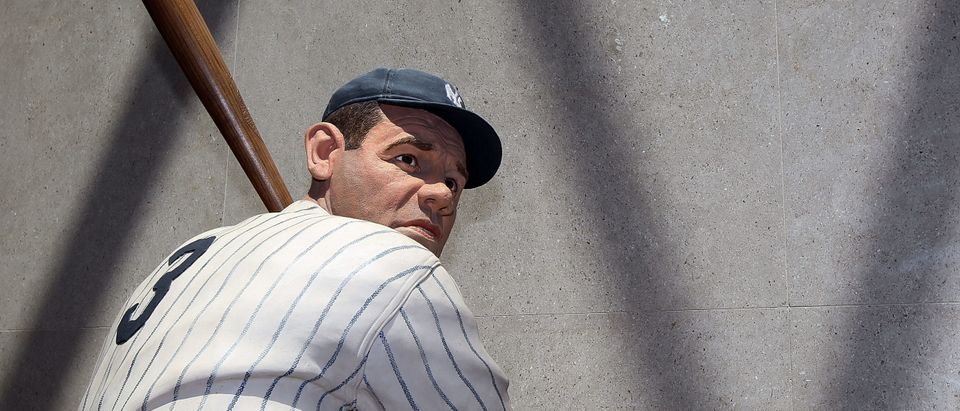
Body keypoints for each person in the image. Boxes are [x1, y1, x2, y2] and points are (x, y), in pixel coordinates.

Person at [80, 68, 511, 411]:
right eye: (409, 159)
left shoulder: (189, 254)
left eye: (454, 182)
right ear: (325, 153)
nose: (442, 195)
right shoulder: (398, 266)